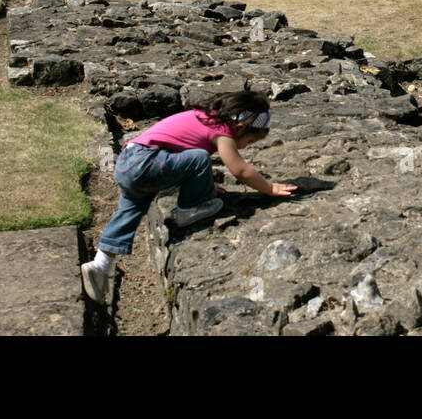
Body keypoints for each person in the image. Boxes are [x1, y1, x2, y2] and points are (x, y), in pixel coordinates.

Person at [81, 90, 296, 304]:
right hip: (145, 162)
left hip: (129, 161)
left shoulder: (204, 117)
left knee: (130, 211)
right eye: (249, 142)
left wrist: (206, 183)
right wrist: (270, 188)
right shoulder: (222, 131)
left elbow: (179, 153)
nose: (247, 146)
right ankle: (189, 209)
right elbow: (239, 169)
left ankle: (101, 265)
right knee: (200, 158)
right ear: (240, 128)